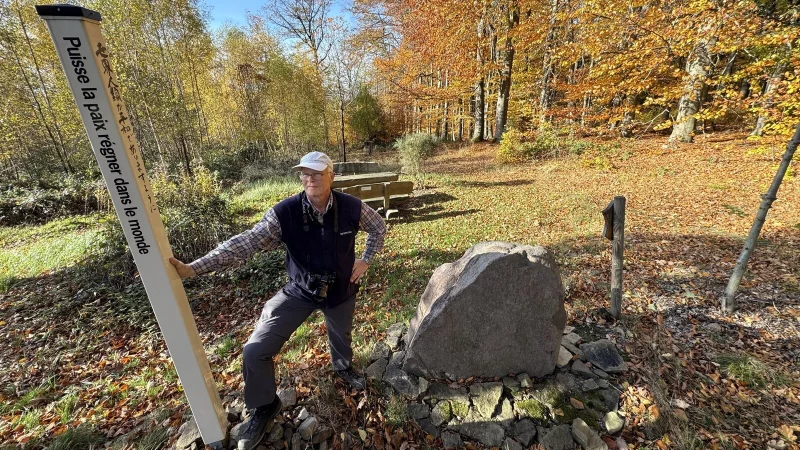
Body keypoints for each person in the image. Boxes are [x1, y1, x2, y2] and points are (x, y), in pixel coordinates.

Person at [169, 152, 387, 450]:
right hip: (299, 290)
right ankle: (265, 405)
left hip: (341, 289)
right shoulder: (284, 213)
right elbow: (245, 243)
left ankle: (343, 367)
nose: (310, 178)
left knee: (342, 335)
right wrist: (194, 268)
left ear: (331, 176)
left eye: (317, 173)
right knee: (254, 350)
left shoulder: (352, 206)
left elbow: (378, 227)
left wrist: (366, 259)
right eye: (305, 173)